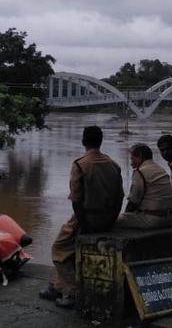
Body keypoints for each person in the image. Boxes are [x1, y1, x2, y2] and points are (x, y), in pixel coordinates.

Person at [40, 126, 124, 309]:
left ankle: (71, 291)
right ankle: (58, 285)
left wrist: (84, 225)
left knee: (60, 248)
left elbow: (76, 201)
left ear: (83, 141)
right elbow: (120, 197)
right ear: (100, 141)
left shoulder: (81, 164)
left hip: (88, 218)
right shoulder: (114, 165)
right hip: (107, 218)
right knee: (71, 248)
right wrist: (111, 220)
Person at [116, 143, 172, 229]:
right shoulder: (161, 169)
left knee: (115, 221)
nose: (131, 163)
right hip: (169, 219)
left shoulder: (140, 172)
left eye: (132, 159)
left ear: (140, 157)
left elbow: (133, 201)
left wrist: (126, 215)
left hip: (153, 220)